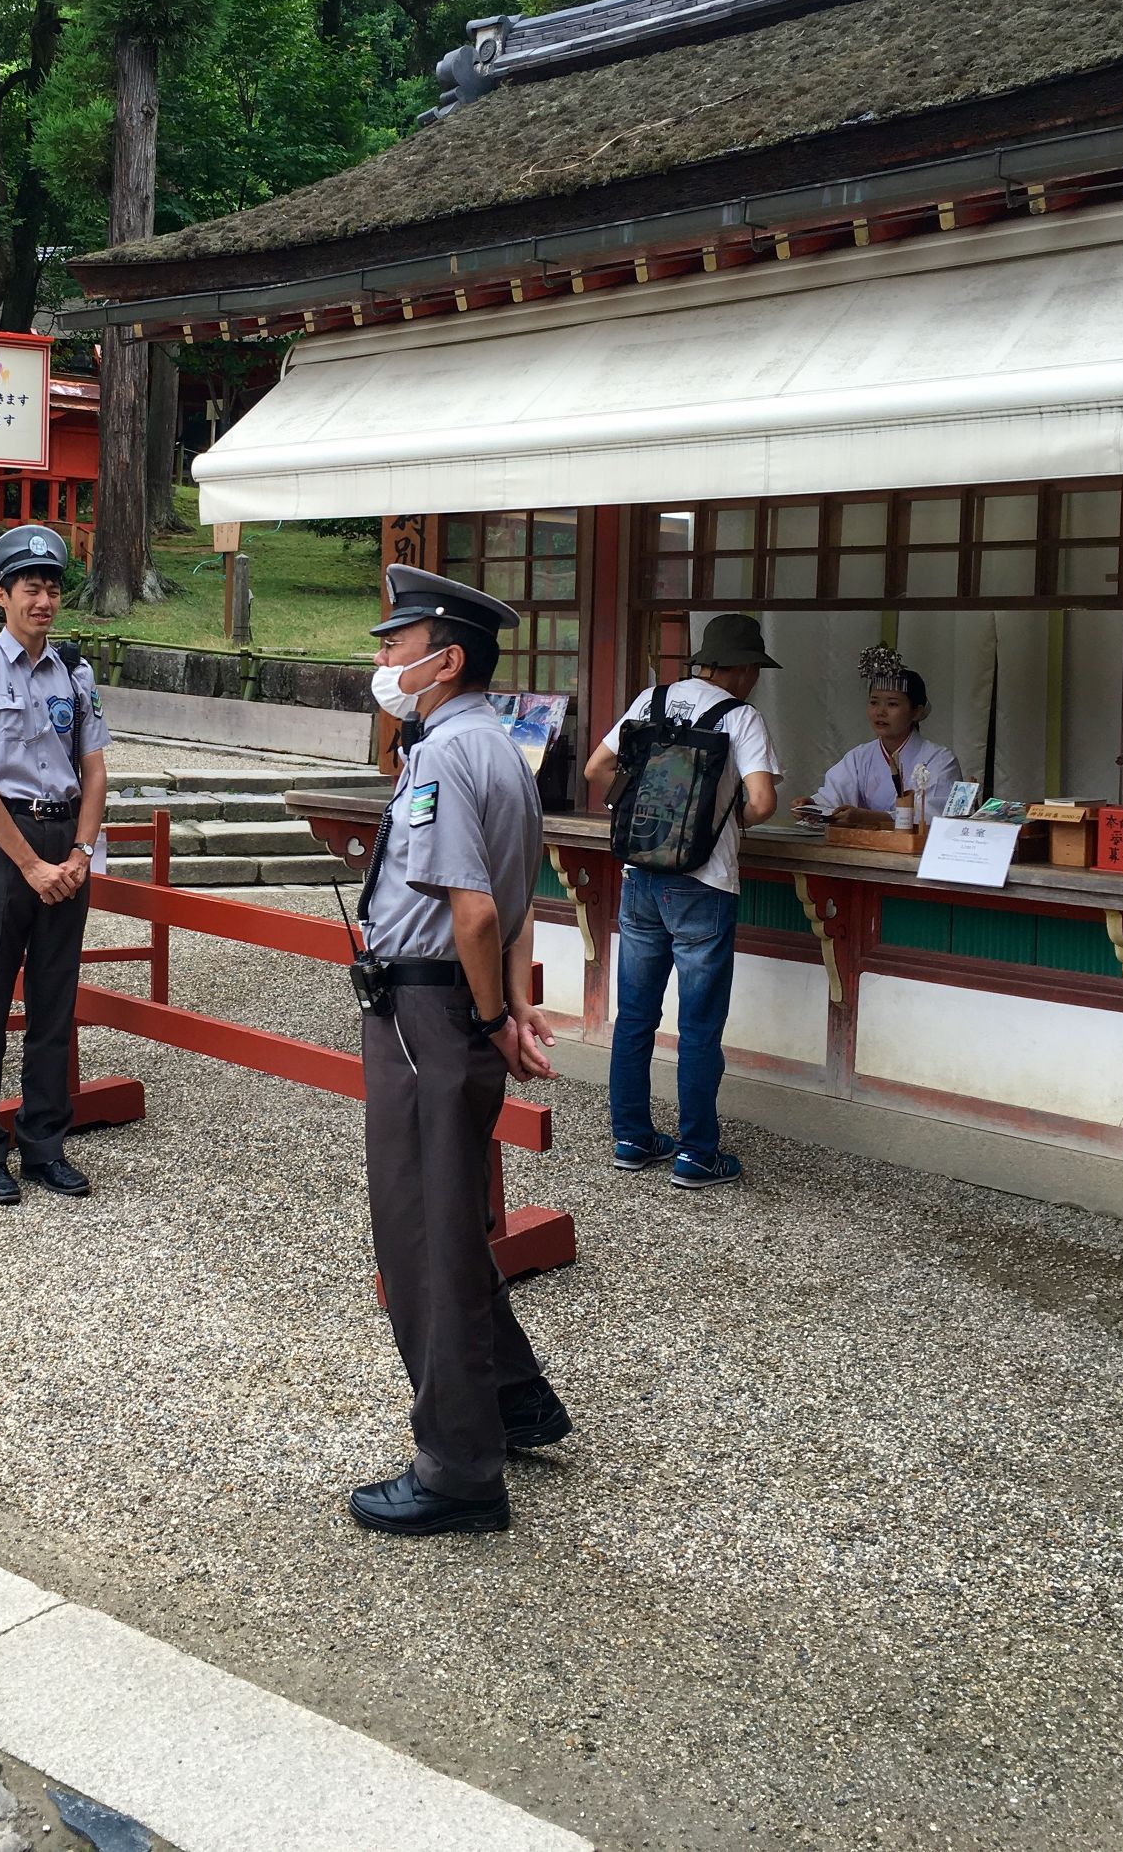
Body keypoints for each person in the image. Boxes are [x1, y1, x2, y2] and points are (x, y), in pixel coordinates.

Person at [348, 564, 570, 1539]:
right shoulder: (498, 748)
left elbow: (473, 909)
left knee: (420, 1239)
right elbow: (519, 896)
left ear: (445, 658)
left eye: (396, 644)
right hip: (456, 1011)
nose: (382, 659)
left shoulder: (441, 756)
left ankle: (458, 1466)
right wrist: (510, 1007)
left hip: (427, 1015)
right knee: (449, 1224)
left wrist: (486, 1018)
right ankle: (515, 1401)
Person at [0, 525, 108, 1205]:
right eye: (30, 587)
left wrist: (79, 852)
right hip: (3, 845)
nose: (44, 599)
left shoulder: (76, 671)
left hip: (65, 841)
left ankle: (43, 1145)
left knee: (53, 1003)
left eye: (52, 587)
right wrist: (33, 864)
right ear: (1, 594)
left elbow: (93, 772)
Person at [582, 612, 782, 1191]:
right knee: (698, 1026)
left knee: (635, 1015)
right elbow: (764, 803)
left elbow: (598, 768)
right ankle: (697, 1153)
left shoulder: (652, 699)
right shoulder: (741, 717)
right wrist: (719, 821)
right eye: (754, 671)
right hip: (704, 883)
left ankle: (631, 1138)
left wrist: (648, 810)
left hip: (640, 873)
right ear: (741, 669)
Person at [809, 647, 959, 825]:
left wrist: (870, 818)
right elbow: (832, 797)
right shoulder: (859, 757)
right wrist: (812, 807)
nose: (880, 712)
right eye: (874, 702)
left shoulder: (939, 759)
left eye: (892, 704)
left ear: (916, 712)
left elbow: (934, 815)